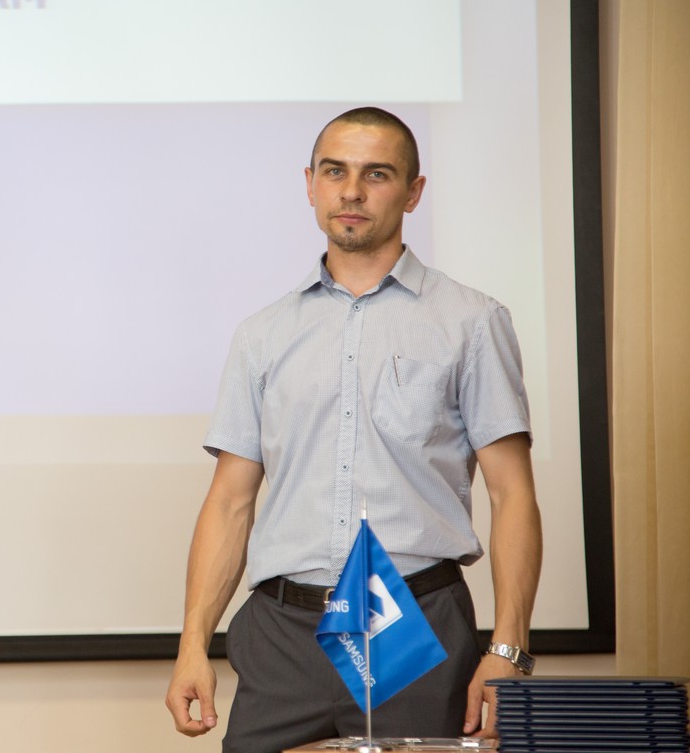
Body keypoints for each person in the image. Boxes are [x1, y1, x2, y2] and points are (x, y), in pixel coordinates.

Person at [164, 107, 542, 752]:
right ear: (311, 184)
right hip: (283, 634)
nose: (352, 192)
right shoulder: (262, 335)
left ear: (414, 192)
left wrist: (509, 650)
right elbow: (229, 501)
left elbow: (512, 495)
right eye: (335, 172)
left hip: (412, 626)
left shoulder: (472, 322)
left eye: (377, 174)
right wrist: (192, 646)